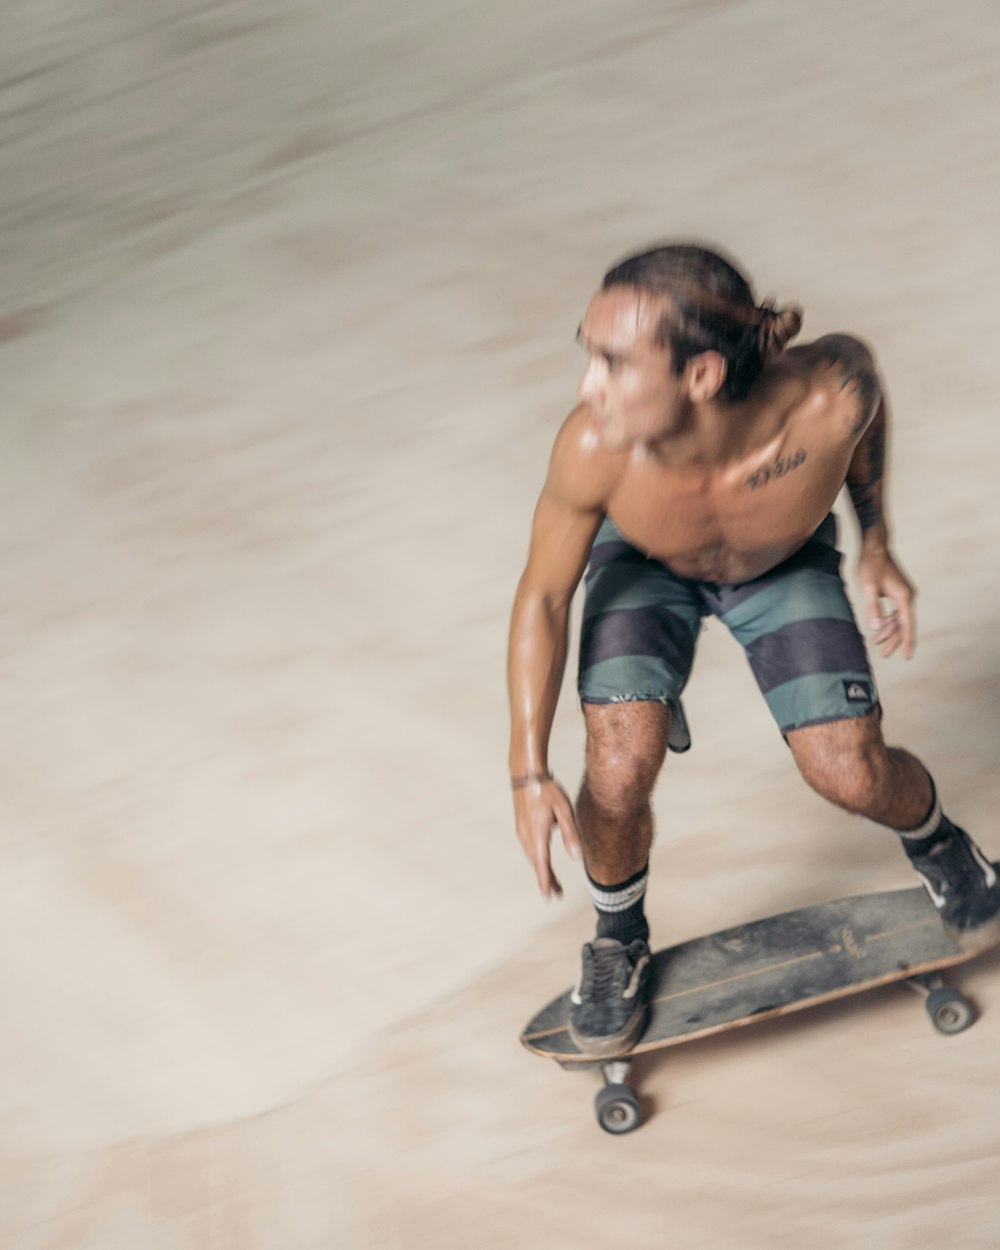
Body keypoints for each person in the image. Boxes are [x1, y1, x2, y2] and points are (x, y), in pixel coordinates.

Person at [507, 242, 1000, 1058]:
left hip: (779, 563)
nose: (587, 385)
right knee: (619, 765)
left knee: (850, 772)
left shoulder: (832, 390)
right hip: (646, 569)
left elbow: (864, 425)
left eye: (613, 362)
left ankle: (945, 848)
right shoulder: (593, 445)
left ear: (700, 375)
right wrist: (527, 769)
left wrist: (876, 539)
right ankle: (617, 937)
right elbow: (544, 595)